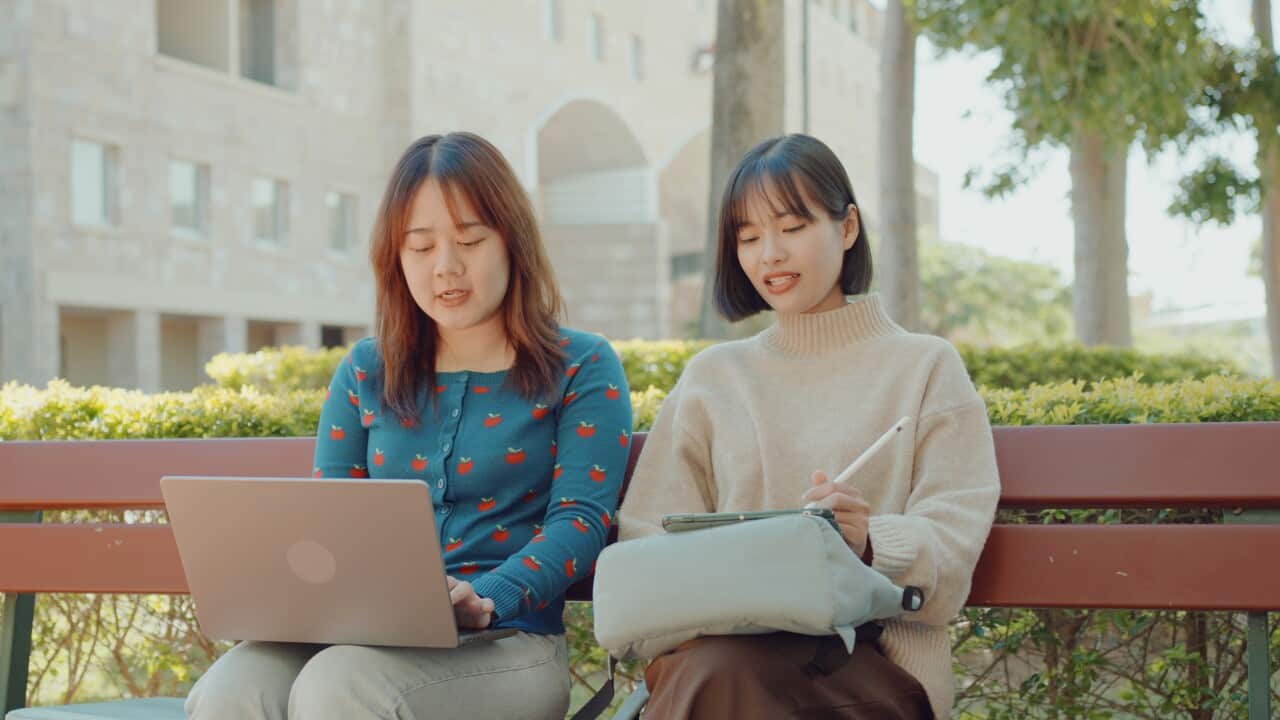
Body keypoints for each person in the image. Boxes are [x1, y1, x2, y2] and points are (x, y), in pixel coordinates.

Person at [186, 132, 632, 720]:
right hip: (360, 634)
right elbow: (333, 520)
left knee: (341, 686)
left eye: (469, 241)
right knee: (233, 689)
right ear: (395, 257)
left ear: (513, 241)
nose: (446, 267)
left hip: (511, 642)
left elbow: (581, 520)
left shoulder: (581, 365)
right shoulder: (365, 371)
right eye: (420, 247)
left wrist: (487, 597)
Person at [616, 134, 999, 720]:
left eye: (792, 227)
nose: (769, 254)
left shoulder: (925, 367)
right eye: (748, 237)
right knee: (720, 672)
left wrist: (870, 542)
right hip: (717, 659)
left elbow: (952, 548)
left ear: (848, 228)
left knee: (719, 680)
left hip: (871, 667)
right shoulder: (713, 377)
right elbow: (646, 542)